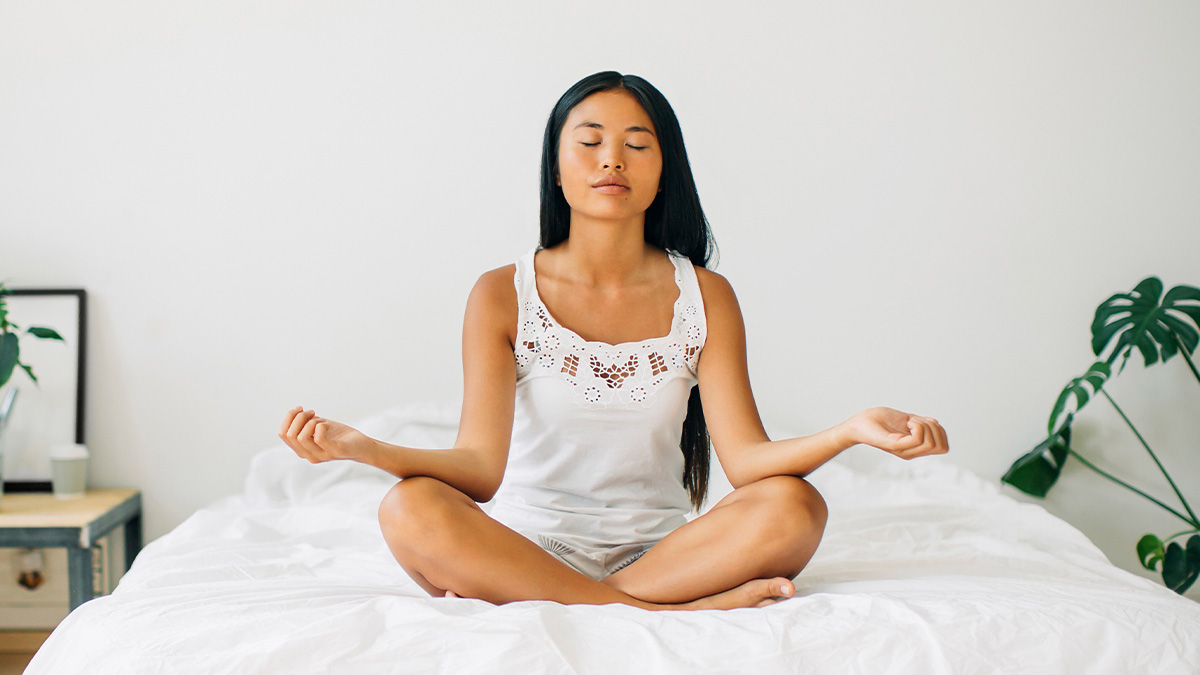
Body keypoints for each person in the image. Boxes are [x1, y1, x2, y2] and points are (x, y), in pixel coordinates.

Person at [278, 71, 949, 612]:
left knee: (796, 505)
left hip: (662, 557)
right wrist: (364, 449)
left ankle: (604, 599)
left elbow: (748, 462)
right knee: (410, 508)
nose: (611, 159)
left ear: (663, 172)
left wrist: (852, 430)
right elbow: (480, 469)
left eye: (637, 144)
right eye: (590, 141)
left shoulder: (705, 295)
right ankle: (659, 610)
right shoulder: (499, 293)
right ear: (558, 169)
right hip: (522, 547)